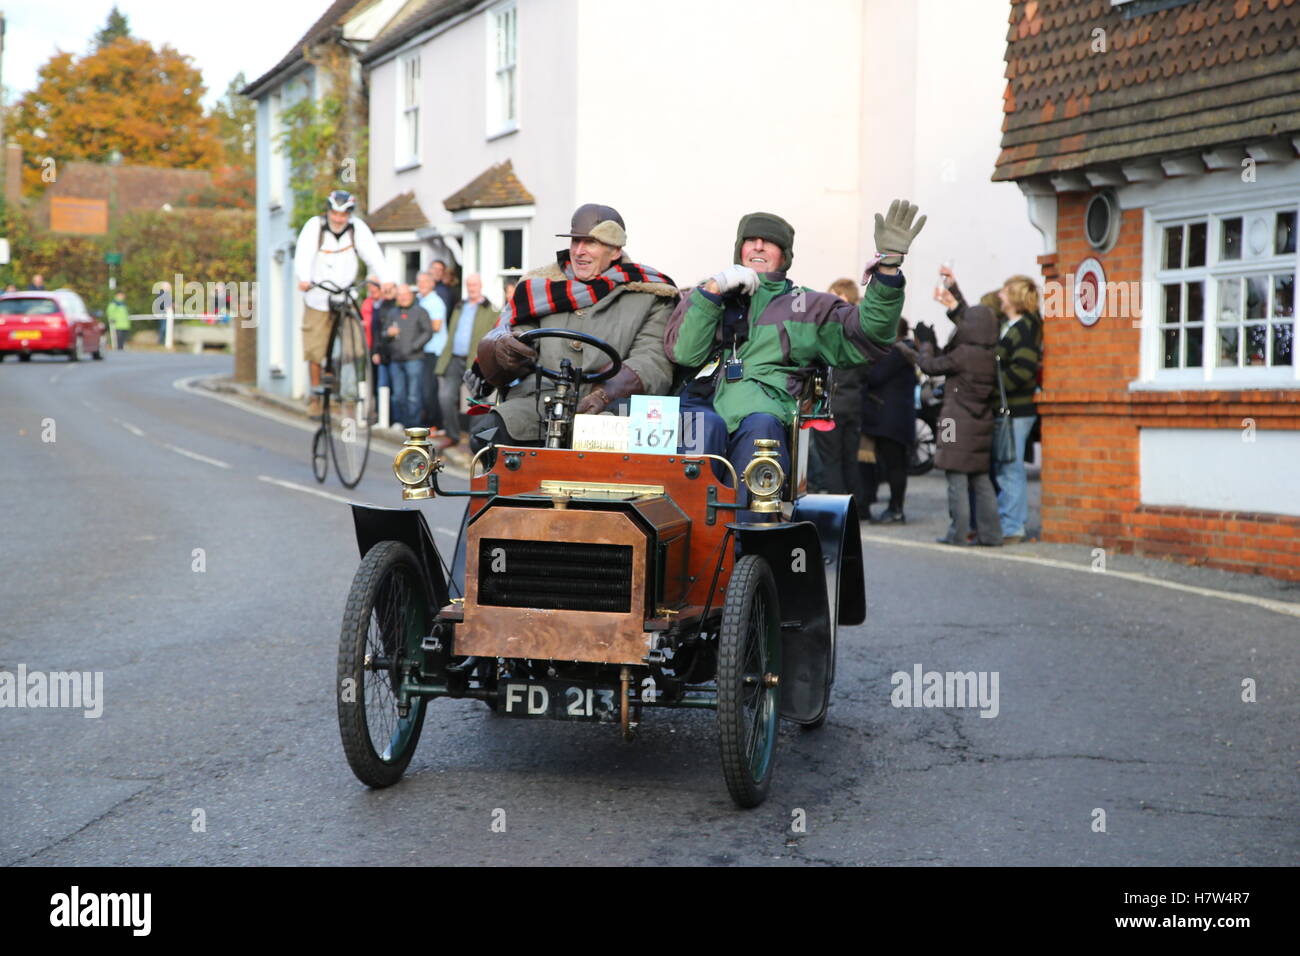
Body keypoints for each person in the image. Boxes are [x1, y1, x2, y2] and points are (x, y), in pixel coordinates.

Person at [664, 201, 925, 505]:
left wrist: (887, 271)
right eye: (751, 240)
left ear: (784, 255)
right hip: (703, 407)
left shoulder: (807, 306)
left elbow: (871, 333)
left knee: (760, 431)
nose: (758, 246)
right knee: (698, 426)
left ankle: (744, 540)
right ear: (740, 248)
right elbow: (684, 353)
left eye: (770, 242)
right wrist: (712, 292)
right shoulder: (710, 293)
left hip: (762, 415)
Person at [470, 203, 677, 450]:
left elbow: (652, 359)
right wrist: (507, 346)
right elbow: (519, 329)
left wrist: (604, 394)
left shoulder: (651, 292)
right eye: (575, 242)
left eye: (590, 243)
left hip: (614, 406)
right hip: (539, 401)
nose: (578, 251)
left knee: (608, 473)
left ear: (615, 250)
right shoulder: (539, 288)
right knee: (485, 437)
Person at [939, 268, 1042, 542]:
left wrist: (987, 385)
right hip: (1005, 410)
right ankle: (1003, 526)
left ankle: (1013, 527)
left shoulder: (1026, 328)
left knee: (1010, 469)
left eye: (1005, 291)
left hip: (1016, 411)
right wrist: (954, 294)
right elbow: (976, 328)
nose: (1000, 294)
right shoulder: (1009, 325)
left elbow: (1022, 371)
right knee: (1004, 468)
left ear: (1016, 297)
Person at [897, 309, 1001, 546]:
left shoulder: (963, 353)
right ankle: (992, 534)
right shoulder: (990, 355)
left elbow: (930, 366)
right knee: (981, 481)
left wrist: (923, 345)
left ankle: (958, 534)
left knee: (955, 478)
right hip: (981, 421)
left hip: (953, 421)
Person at [295, 189, 394, 417]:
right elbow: (303, 254)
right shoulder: (315, 226)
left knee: (355, 347)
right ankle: (316, 395)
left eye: (343, 215)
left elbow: (374, 255)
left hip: (345, 295)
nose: (339, 219)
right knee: (314, 348)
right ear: (328, 211)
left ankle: (349, 393)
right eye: (335, 214)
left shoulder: (356, 229)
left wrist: (387, 280)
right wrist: (304, 278)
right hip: (318, 296)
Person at [811, 278, 870, 507]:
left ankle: (838, 507)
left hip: (832, 403)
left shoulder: (829, 329)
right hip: (853, 402)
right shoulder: (861, 330)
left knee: (832, 460)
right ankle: (858, 506)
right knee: (849, 458)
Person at [860, 317, 918, 523]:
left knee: (894, 465)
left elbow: (874, 377)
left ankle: (895, 509)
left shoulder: (894, 353)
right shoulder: (905, 351)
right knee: (896, 465)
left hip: (887, 419)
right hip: (896, 418)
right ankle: (894, 507)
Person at [437, 273, 498, 458]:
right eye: (469, 285)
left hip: (475, 360)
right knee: (445, 396)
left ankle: (477, 440)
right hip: (455, 358)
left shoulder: (490, 309)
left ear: (480, 286)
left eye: (475, 285)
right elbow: (451, 333)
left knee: (478, 398)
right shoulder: (459, 306)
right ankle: (452, 435)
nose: (472, 288)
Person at [377, 284, 433, 429]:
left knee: (413, 395)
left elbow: (428, 332)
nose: (403, 297)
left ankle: (414, 424)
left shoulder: (420, 311)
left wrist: (414, 346)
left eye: (405, 294)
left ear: (411, 295)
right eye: (400, 295)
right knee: (398, 394)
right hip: (395, 359)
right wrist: (388, 333)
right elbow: (383, 333)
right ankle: (400, 421)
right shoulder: (392, 312)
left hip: (414, 359)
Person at [415, 270, 448, 432]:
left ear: (431, 283)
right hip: (423, 349)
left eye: (424, 281)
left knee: (430, 389)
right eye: (419, 281)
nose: (421, 285)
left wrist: (414, 328)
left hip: (434, 350)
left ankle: (437, 425)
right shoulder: (420, 300)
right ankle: (428, 422)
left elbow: (436, 326)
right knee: (423, 388)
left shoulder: (435, 302)